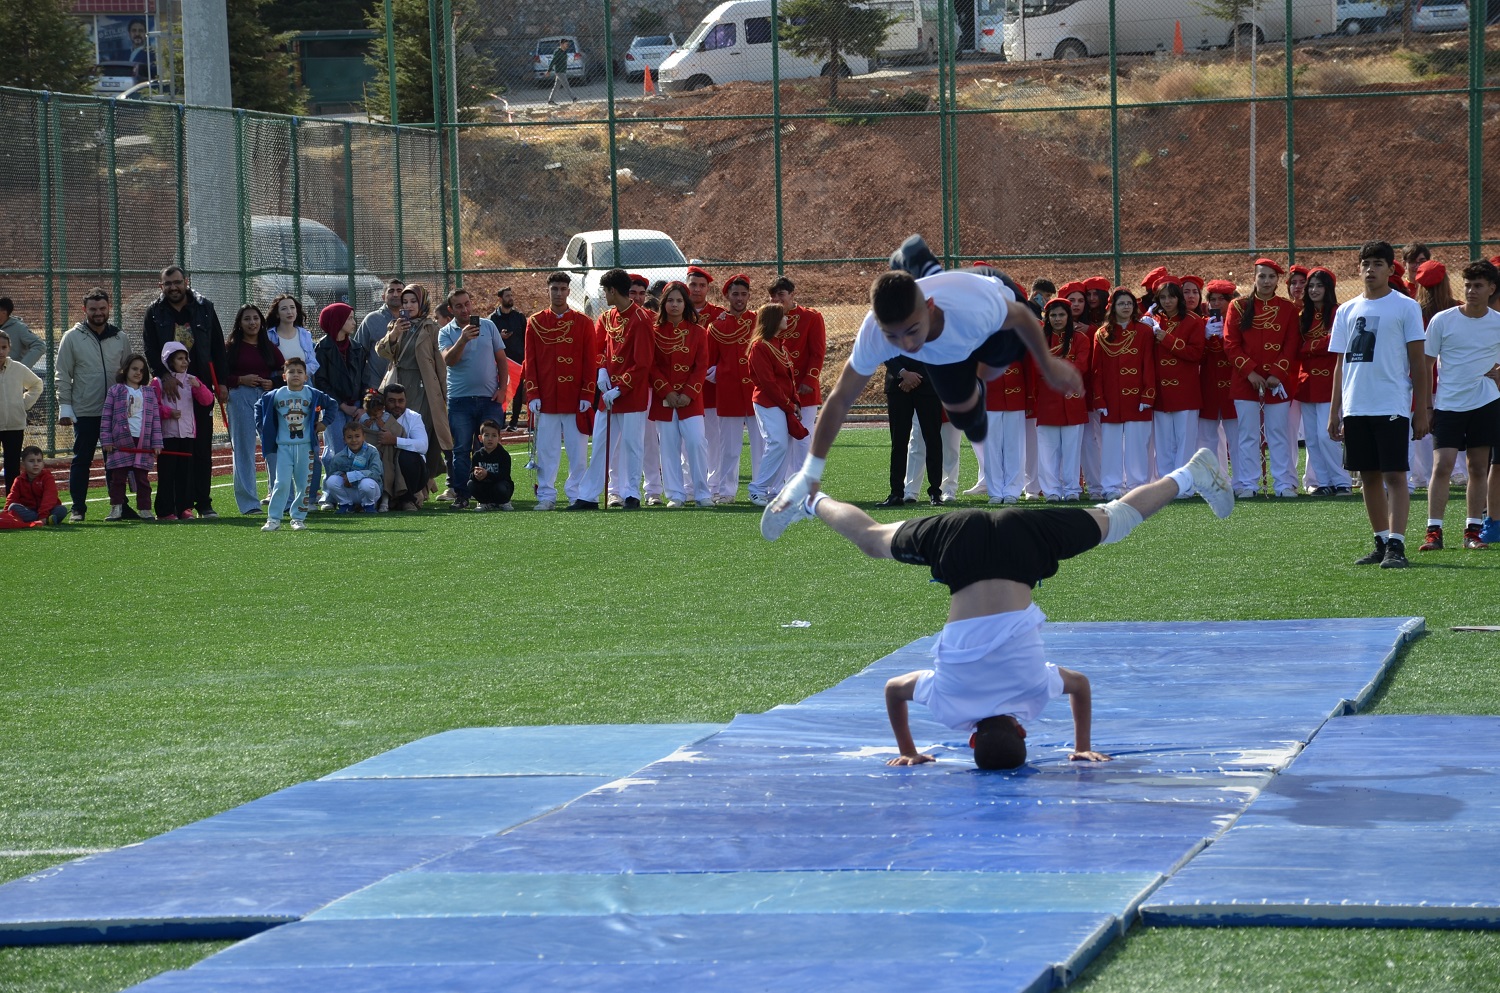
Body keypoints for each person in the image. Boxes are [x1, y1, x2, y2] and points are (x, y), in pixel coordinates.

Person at [761, 446, 1233, 768]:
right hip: (959, 542)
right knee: (872, 540)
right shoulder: (948, 707)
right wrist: (908, 749)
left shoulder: (1030, 694)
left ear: (1023, 733)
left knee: (1116, 518)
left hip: (1020, 543)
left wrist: (1083, 746)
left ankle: (1191, 474)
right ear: (969, 740)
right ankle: (810, 498)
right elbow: (893, 689)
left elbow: (1080, 686)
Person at [768, 244, 1083, 521]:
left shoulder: (973, 307)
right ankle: (922, 263)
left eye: (911, 330)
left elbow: (1024, 317)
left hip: (993, 309)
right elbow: (839, 399)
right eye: (893, 336)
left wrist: (1050, 365)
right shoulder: (874, 330)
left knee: (991, 364)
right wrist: (810, 471)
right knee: (964, 415)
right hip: (944, 349)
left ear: (929, 308)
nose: (904, 345)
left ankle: (922, 261)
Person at [1328, 241, 1432, 569]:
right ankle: (1381, 541)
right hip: (1356, 406)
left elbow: (1419, 363)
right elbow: (1341, 365)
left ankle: (1397, 545)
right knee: (1368, 477)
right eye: (1365, 264)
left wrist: (1422, 409)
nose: (1370, 269)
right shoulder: (1346, 310)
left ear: (1390, 269)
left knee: (1395, 475)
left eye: (1377, 263)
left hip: (1392, 404)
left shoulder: (1405, 307)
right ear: (1358, 268)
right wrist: (1335, 411)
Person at [1419, 259, 1500, 551]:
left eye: (1478, 285)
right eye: (1467, 285)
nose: (1471, 290)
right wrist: (1427, 407)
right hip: (1449, 404)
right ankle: (1434, 532)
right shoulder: (1443, 320)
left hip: (1486, 403)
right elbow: (1426, 365)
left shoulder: (1497, 322)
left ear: (1491, 288)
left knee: (1478, 467)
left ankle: (1472, 533)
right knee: (1442, 466)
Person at [142, 266, 227, 518]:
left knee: (201, 449)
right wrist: (164, 375)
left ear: (186, 282)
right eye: (168, 284)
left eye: (177, 282)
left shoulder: (204, 307)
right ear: (161, 287)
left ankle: (203, 503)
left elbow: (217, 347)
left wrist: (221, 382)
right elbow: (150, 348)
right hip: (169, 391)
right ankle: (175, 506)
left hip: (199, 389)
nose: (173, 288)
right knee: (173, 453)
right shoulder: (154, 312)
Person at [569, 268, 654, 510]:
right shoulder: (606, 318)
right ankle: (589, 495)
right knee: (599, 445)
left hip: (630, 395)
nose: (603, 296)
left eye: (605, 291)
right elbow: (597, 349)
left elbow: (643, 362)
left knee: (631, 446)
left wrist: (620, 388)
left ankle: (631, 494)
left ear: (613, 291)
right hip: (607, 395)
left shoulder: (641, 319)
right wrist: (601, 370)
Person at [1225, 258, 1301, 498]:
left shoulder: (1288, 309)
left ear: (1277, 280)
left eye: (1271, 277)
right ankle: (1248, 484)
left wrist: (1277, 373)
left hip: (1277, 383)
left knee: (1278, 433)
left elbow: (1291, 345)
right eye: (1262, 276)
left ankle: (1283, 484)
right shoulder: (1237, 306)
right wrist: (1251, 372)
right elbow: (1230, 343)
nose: (1266, 281)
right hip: (1244, 381)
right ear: (1254, 278)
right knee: (1247, 434)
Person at [523, 271, 596, 511]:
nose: (558, 293)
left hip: (575, 398)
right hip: (546, 397)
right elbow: (529, 361)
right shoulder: (535, 322)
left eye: (563, 288)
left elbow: (590, 361)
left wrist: (587, 394)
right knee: (546, 451)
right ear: (548, 290)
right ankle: (546, 494)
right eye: (554, 288)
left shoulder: (584, 322)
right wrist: (532, 394)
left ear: (569, 291)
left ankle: (577, 493)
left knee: (577, 452)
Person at [55, 287, 130, 522]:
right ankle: (78, 508)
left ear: (109, 308)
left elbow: (130, 373)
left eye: (102, 308)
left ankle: (120, 506)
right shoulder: (71, 337)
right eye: (93, 309)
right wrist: (64, 406)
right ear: (84, 309)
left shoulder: (121, 337)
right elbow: (62, 374)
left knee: (116, 462)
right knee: (82, 459)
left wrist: (130, 404)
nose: (98, 313)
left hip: (116, 413)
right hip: (85, 410)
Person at [377, 284, 452, 503]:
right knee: (394, 432)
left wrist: (444, 393)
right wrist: (394, 334)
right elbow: (382, 352)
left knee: (419, 434)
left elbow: (440, 364)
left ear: (422, 303)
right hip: (397, 385)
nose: (408, 306)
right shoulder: (395, 325)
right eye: (405, 302)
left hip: (423, 387)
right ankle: (399, 486)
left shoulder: (431, 327)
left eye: (413, 302)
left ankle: (421, 487)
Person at [437, 289, 508, 511]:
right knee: (460, 449)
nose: (465, 309)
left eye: (467, 303)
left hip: (489, 398)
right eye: (458, 306)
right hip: (460, 400)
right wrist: (463, 339)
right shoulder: (446, 332)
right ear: (451, 310)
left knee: (488, 447)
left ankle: (490, 494)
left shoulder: (488, 326)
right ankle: (462, 494)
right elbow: (449, 360)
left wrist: (503, 389)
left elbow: (502, 359)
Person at [648, 281, 711, 507]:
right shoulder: (653, 332)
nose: (675, 305)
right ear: (664, 304)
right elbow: (651, 365)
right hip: (663, 398)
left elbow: (701, 366)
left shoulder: (698, 332)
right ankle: (675, 494)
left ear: (686, 304)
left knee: (696, 442)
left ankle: (702, 493)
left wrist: (688, 393)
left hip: (690, 399)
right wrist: (666, 391)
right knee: (668, 446)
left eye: (679, 301)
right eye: (671, 301)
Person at [255, 357, 336, 532]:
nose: (296, 375)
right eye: (291, 371)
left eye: (300, 372)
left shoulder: (312, 394)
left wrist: (324, 423)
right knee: (281, 482)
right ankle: (273, 519)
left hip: (305, 446)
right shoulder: (276, 395)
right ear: (284, 376)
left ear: (306, 377)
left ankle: (298, 518)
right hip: (283, 447)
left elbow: (332, 405)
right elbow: (258, 406)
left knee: (302, 484)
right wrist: (263, 428)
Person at [1091, 288, 1157, 499]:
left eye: (1129, 303)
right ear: (1113, 307)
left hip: (1138, 397)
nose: (1126, 307)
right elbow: (1096, 370)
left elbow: (1149, 364)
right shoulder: (1101, 334)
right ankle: (1111, 486)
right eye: (1121, 303)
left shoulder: (1144, 332)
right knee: (1110, 446)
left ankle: (1138, 485)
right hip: (1111, 397)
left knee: (1138, 444)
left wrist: (1148, 395)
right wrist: (1099, 398)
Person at [704, 273, 760, 504]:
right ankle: (727, 492)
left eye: (743, 294)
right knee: (729, 448)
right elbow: (708, 364)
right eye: (735, 294)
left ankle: (762, 489)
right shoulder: (716, 326)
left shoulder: (759, 321)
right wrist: (723, 374)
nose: (739, 298)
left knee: (762, 445)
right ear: (727, 295)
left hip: (757, 393)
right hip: (728, 394)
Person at [747, 303, 810, 506]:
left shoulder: (779, 345)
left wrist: (796, 402)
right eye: (783, 316)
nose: (787, 319)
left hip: (781, 403)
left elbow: (789, 379)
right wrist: (788, 405)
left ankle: (774, 491)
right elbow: (768, 383)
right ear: (773, 319)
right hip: (767, 402)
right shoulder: (759, 346)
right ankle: (757, 489)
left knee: (785, 445)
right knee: (777, 443)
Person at [1029, 298, 1091, 501]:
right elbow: (1037, 366)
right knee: (1048, 452)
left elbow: (1081, 366)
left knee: (1072, 451)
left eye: (1062, 314)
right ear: (1047, 318)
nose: (1057, 319)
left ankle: (1072, 490)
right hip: (1047, 401)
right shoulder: (1039, 340)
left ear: (1069, 316)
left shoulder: (1081, 339)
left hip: (1073, 401)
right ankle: (1051, 491)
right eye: (1053, 315)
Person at [224, 304, 283, 515]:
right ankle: (249, 504)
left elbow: (284, 372)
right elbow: (220, 377)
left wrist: (272, 383)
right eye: (247, 319)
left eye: (256, 318)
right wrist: (240, 379)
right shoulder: (231, 347)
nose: (252, 323)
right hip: (240, 398)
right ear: (239, 323)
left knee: (275, 448)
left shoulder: (268, 346)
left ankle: (280, 498)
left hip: (267, 399)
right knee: (244, 450)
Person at [1296, 268, 1349, 496]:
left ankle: (1342, 481)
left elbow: (1336, 342)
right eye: (1311, 287)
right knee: (1312, 437)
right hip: (1306, 382)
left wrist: (1309, 347)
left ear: (1328, 289)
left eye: (1319, 286)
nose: (1314, 290)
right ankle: (1323, 482)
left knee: (1327, 434)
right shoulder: (1302, 316)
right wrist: (1312, 348)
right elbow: (1294, 346)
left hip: (1330, 382)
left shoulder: (1339, 313)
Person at [1150, 275, 1206, 482]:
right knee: (1163, 441)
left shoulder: (1193, 320)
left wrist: (1168, 340)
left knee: (1185, 441)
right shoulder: (1154, 321)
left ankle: (1184, 484)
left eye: (1171, 297)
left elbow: (1196, 353)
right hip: (1161, 391)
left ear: (1178, 298)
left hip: (1185, 390)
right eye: (1162, 297)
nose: (1167, 301)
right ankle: (1165, 485)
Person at [769, 275, 827, 472]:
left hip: (803, 388)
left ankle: (800, 483)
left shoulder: (811, 317)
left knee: (802, 435)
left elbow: (817, 353)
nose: (776, 300)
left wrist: (809, 380)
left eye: (781, 295)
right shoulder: (766, 319)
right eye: (772, 296)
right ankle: (781, 484)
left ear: (792, 294)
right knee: (779, 439)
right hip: (776, 390)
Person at [152, 342, 213, 521]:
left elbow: (207, 400)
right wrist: (168, 413)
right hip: (167, 435)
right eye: (180, 358)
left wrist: (198, 386)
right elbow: (154, 406)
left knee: (185, 474)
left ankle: (184, 508)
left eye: (186, 358)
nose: (185, 361)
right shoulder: (158, 382)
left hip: (187, 434)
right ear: (169, 361)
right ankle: (164, 510)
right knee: (167, 473)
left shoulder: (191, 379)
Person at [99, 353, 162, 522]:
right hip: (120, 443)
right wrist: (107, 440)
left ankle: (145, 509)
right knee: (118, 478)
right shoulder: (116, 391)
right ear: (125, 369)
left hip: (142, 443)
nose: (138, 373)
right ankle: (116, 509)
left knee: (142, 479)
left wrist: (156, 443)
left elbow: (155, 420)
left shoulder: (149, 393)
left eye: (141, 370)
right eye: (134, 368)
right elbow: (106, 417)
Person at [881, 355, 944, 507]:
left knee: (933, 439)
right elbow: (883, 347)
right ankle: (896, 493)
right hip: (898, 385)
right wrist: (903, 373)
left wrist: (916, 377)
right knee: (898, 442)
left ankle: (935, 492)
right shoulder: (888, 329)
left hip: (928, 384)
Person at [1197, 279, 1239, 475]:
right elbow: (1197, 357)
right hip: (1209, 386)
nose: (1215, 304)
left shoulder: (1239, 323)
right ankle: (1212, 479)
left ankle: (1243, 480)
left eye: (1221, 299)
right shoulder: (1202, 325)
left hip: (1233, 386)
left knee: (1237, 436)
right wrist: (1204, 338)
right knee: (1206, 438)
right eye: (1212, 299)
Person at [0, 329, 43, 493]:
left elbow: (36, 385)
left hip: (14, 426)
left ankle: (12, 502)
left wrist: (22, 403)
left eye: (4, 347)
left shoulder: (18, 368)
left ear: (9, 348)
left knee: (12, 466)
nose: (1, 351)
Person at [323, 420, 384, 514]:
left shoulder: (372, 451)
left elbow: (376, 473)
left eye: (357, 436)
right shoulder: (339, 457)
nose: (354, 440)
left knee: (366, 483)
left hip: (369, 490)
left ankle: (369, 506)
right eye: (349, 437)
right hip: (350, 491)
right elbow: (332, 472)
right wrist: (342, 476)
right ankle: (346, 504)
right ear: (344, 439)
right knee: (331, 481)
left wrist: (353, 476)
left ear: (364, 437)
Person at [355, 278, 405, 392]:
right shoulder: (372, 320)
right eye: (391, 291)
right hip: (376, 385)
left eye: (399, 291)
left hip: (405, 385)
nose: (396, 294)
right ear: (383, 296)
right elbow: (359, 353)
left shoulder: (412, 320)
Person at [489, 287, 528, 429]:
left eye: (511, 295)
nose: (510, 298)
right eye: (507, 296)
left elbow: (526, 337)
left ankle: (514, 423)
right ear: (500, 299)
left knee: (518, 392)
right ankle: (501, 421)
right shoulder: (493, 319)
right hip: (501, 361)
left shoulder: (519, 317)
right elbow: (489, 339)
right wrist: (499, 336)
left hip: (518, 361)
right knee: (502, 391)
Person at [5, 446, 66, 525]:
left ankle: (42, 519)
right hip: (29, 510)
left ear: (43, 464)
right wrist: (6, 514)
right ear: (23, 464)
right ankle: (47, 520)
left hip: (47, 510)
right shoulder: (19, 480)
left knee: (61, 509)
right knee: (13, 507)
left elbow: (49, 498)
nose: (36, 464)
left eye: (39, 461)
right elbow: (12, 498)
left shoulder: (47, 478)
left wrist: (43, 515)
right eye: (31, 461)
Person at [469, 419, 515, 511]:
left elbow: (504, 476)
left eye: (494, 436)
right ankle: (484, 502)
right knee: (470, 484)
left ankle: (503, 502)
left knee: (502, 487)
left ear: (499, 438)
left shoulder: (503, 455)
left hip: (499, 486)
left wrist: (487, 475)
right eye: (486, 435)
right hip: (484, 487)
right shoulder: (477, 455)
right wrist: (476, 475)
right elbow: (470, 475)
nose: (490, 439)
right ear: (480, 438)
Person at [0, 298, 46, 371]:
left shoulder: (19, 328)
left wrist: (21, 368)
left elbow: (40, 346)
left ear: (4, 313)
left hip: (11, 377)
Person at [547, 39, 577, 105]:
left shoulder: (564, 52)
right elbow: (553, 61)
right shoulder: (558, 52)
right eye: (566, 44)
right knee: (566, 85)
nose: (567, 46)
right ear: (561, 44)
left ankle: (550, 100)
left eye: (567, 44)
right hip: (559, 71)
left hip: (562, 71)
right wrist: (549, 70)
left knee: (556, 86)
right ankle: (574, 98)